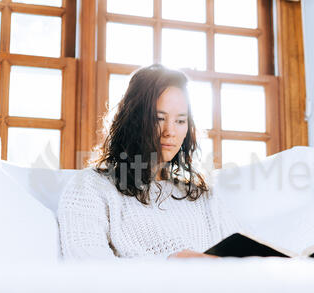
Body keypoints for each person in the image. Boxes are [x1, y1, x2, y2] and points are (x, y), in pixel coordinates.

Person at [57, 64, 242, 260]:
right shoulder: (91, 187)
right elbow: (87, 266)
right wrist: (171, 261)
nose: (170, 131)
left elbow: (246, 261)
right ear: (133, 120)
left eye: (180, 121)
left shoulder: (203, 197)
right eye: (158, 118)